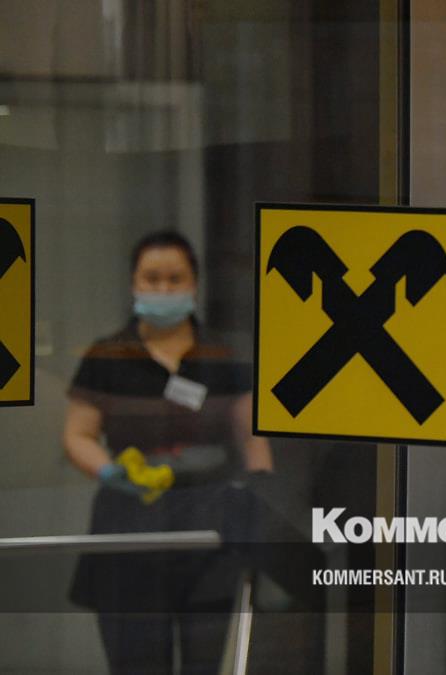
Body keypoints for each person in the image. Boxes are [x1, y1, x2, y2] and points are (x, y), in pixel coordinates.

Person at [62, 230, 272, 674]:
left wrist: (260, 503)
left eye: (175, 279)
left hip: (210, 527)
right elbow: (78, 434)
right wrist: (109, 472)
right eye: (152, 278)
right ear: (133, 283)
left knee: (204, 661)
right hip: (129, 525)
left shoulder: (222, 354)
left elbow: (253, 437)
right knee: (136, 661)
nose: (163, 289)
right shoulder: (107, 355)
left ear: (194, 284)